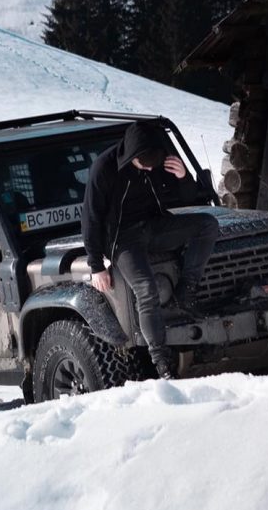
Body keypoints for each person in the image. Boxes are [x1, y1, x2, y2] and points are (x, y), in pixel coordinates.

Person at [82, 120, 219, 379]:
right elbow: (91, 217)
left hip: (156, 226)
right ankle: (161, 361)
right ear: (131, 154)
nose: (148, 167)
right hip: (122, 239)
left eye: (151, 163)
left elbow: (190, 198)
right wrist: (96, 265)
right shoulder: (104, 167)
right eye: (142, 163)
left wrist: (184, 177)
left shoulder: (160, 160)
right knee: (146, 288)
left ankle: (185, 292)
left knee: (208, 225)